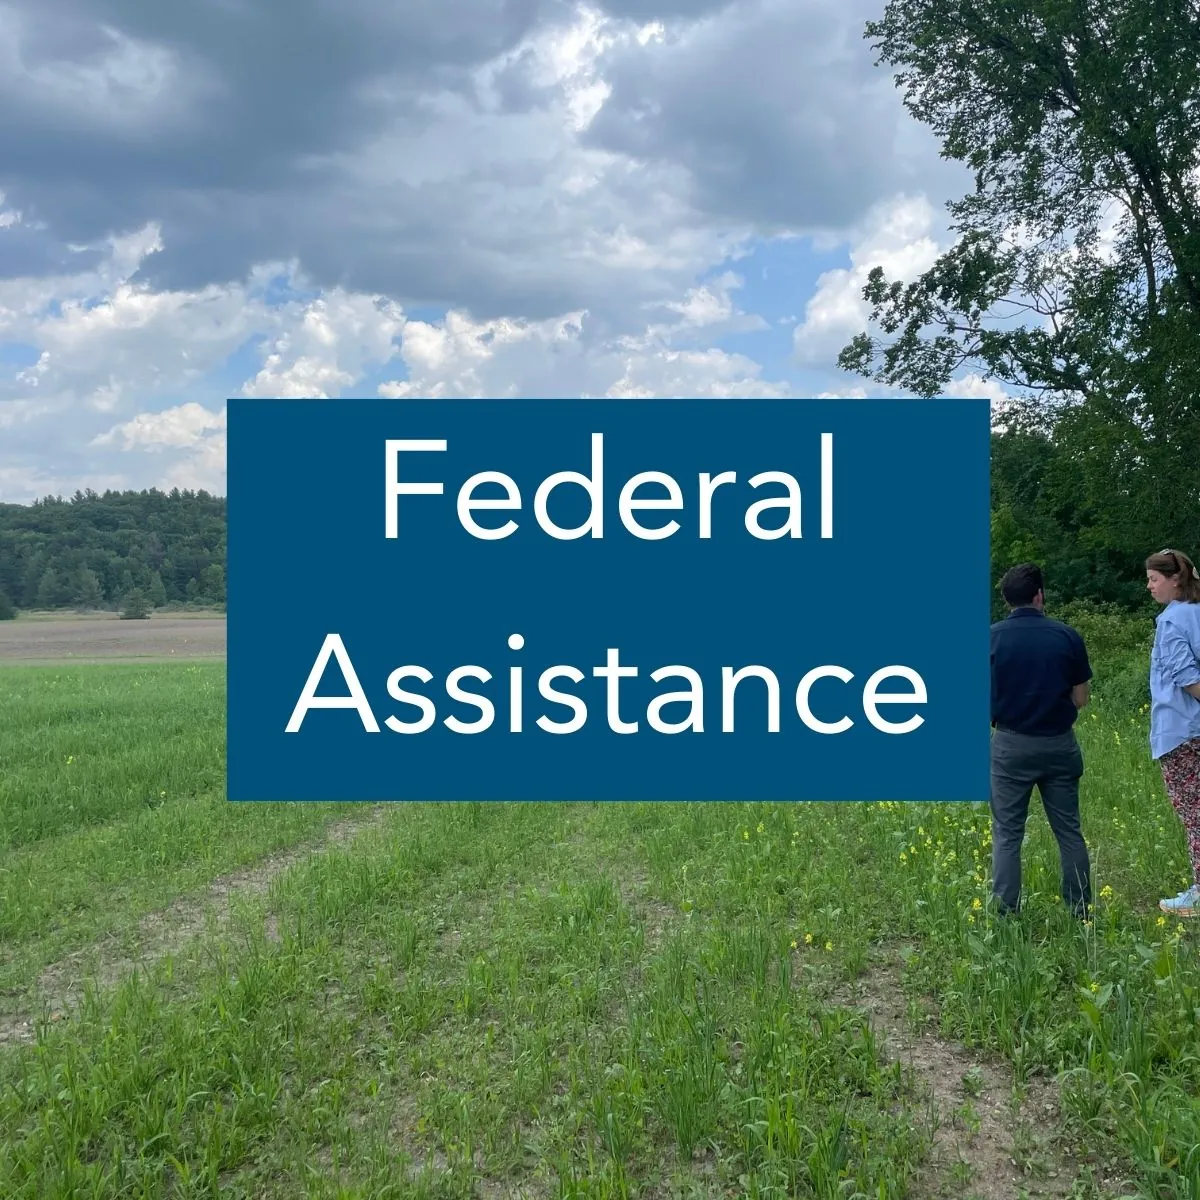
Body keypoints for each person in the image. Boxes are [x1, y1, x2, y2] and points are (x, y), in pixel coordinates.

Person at [989, 563, 1093, 918]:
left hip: (1010, 744)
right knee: (1069, 831)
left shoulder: (990, 638)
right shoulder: (1067, 636)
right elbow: (1081, 699)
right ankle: (1080, 910)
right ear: (1039, 595)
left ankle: (1005, 913)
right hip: (1059, 744)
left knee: (1007, 833)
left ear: (1007, 600)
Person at [1144, 548, 1200, 917]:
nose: (1149, 587)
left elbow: (1187, 678)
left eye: (1153, 579)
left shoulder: (1172, 620)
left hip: (1180, 731)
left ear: (1175, 579)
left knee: (1194, 813)